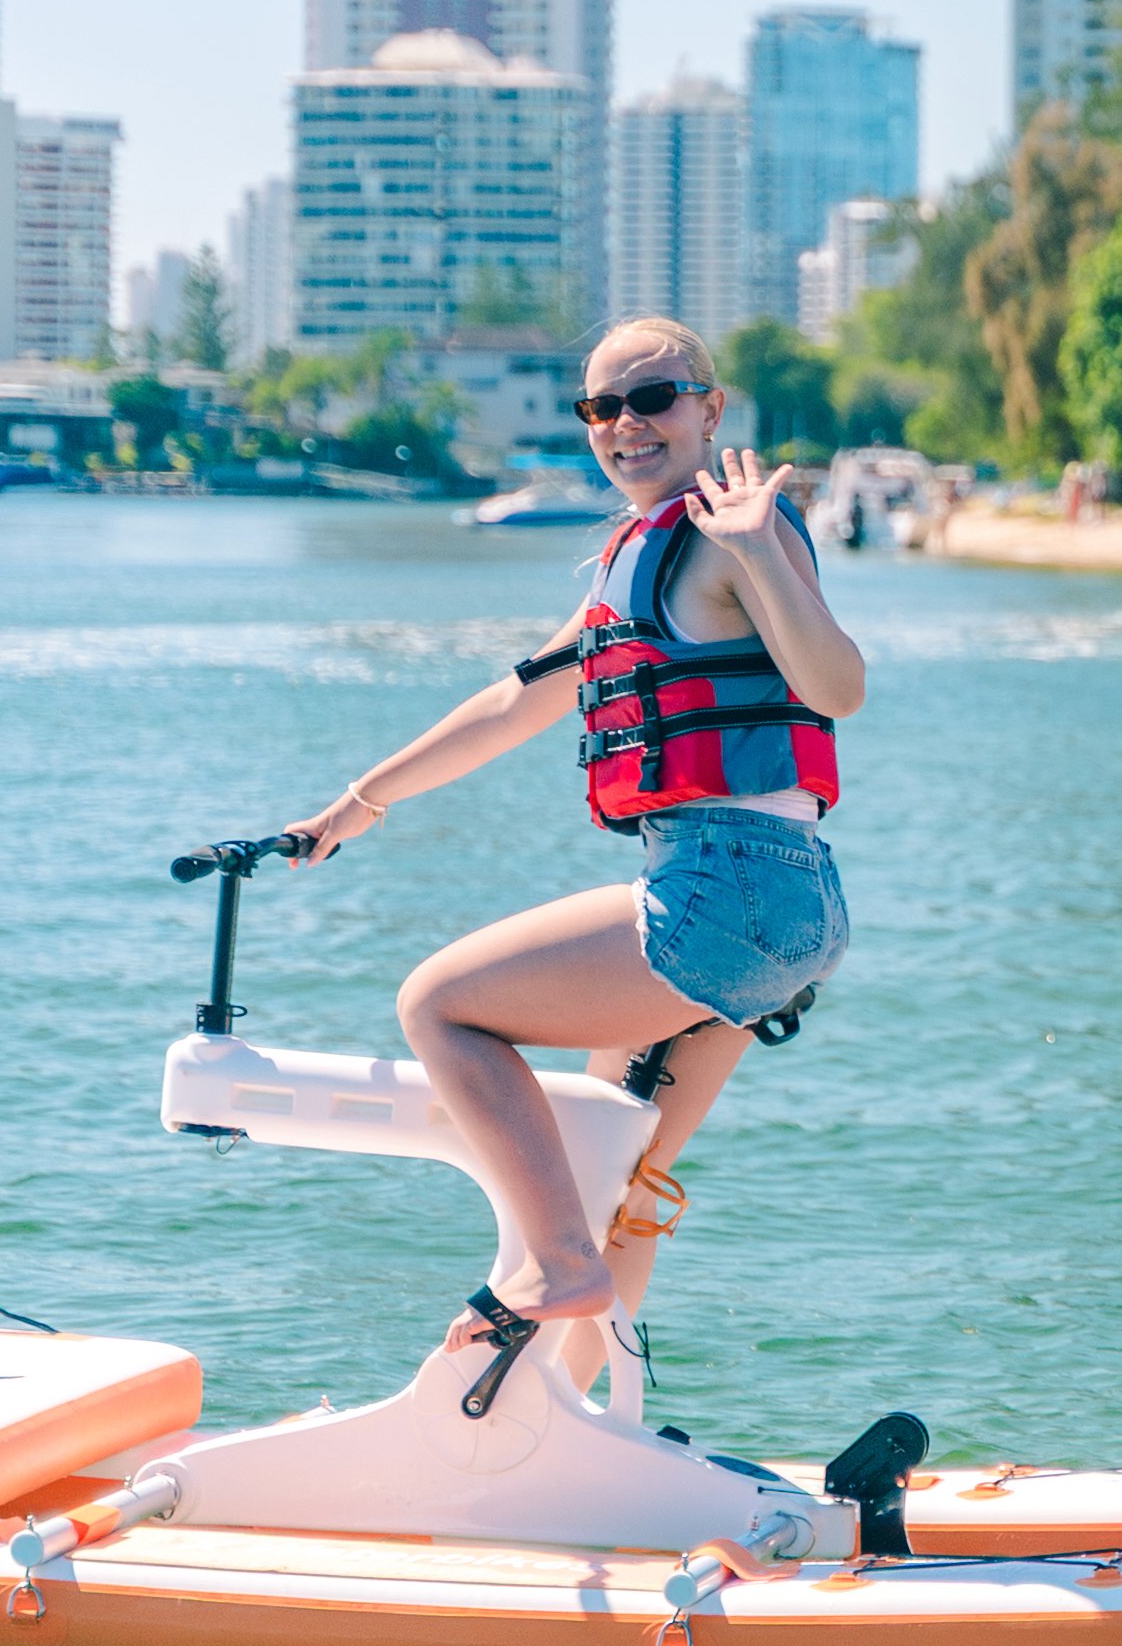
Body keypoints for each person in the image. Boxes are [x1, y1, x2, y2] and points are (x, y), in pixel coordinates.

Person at [280, 316, 864, 1359]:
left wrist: (756, 552)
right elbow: (515, 701)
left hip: (723, 889)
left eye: (654, 397)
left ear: (710, 408)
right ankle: (590, 1427)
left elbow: (837, 688)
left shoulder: (738, 532)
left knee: (438, 1006)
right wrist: (356, 802)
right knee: (619, 1179)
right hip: (786, 906)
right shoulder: (625, 567)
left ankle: (554, 1260)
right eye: (602, 406)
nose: (626, 425)